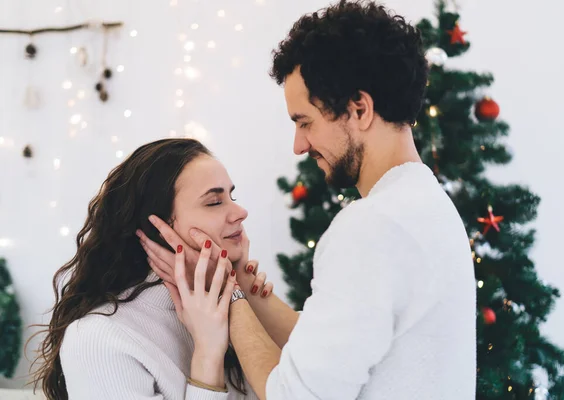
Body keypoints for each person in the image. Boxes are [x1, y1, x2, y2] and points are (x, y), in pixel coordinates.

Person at [145, 1, 476, 399]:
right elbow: (333, 353)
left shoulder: (373, 227)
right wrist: (244, 285)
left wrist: (224, 293)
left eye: (305, 122)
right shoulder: (424, 204)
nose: (300, 145)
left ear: (360, 108)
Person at [31, 138, 276, 400]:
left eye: (232, 196)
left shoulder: (235, 308)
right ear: (157, 226)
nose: (240, 212)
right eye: (215, 202)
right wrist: (207, 353)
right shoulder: (99, 337)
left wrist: (240, 293)